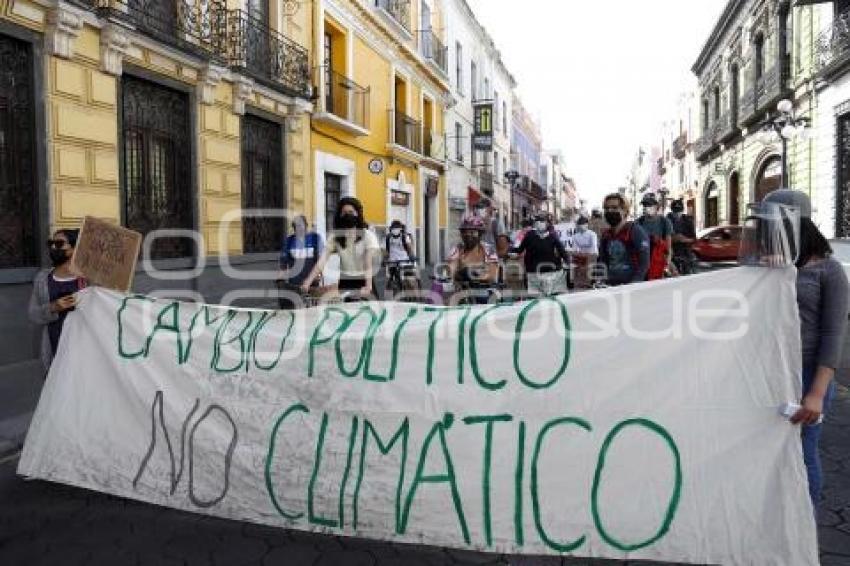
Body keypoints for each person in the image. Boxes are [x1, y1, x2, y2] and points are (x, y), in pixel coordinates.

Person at [760, 190, 849, 509]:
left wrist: (817, 392)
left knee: (803, 450)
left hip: (810, 374)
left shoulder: (830, 271)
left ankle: (802, 529)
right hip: (772, 371)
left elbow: (833, 335)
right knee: (769, 449)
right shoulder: (771, 266)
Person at [28, 229, 87, 371]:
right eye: (51, 243)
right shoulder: (42, 278)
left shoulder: (88, 278)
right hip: (54, 345)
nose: (53, 247)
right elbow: (33, 314)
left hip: (83, 347)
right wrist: (52, 308)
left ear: (74, 248)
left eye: (59, 244)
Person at [301, 197, 380, 300]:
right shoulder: (335, 237)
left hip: (364, 280)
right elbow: (321, 261)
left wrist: (368, 286)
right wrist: (307, 282)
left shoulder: (368, 236)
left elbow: (368, 261)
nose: (347, 215)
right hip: (345, 282)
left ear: (358, 214)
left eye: (351, 212)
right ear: (340, 215)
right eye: (344, 212)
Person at [598, 193, 650, 286]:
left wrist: (633, 285)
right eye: (606, 208)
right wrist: (600, 280)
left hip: (631, 287)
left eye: (614, 208)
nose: (609, 211)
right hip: (610, 286)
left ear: (625, 211)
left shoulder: (635, 231)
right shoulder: (606, 235)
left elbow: (644, 263)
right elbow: (602, 261)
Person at [511, 214, 570, 296]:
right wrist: (509, 250)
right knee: (536, 299)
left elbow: (562, 251)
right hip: (534, 273)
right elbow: (520, 249)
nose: (540, 223)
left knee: (551, 298)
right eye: (538, 221)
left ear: (546, 223)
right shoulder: (529, 235)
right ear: (535, 224)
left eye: (542, 221)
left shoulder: (553, 236)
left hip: (551, 272)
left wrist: (567, 262)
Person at [278, 215, 323, 309]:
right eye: (296, 226)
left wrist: (318, 275)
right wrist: (280, 280)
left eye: (300, 225)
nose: (299, 228)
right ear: (294, 227)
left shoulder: (315, 238)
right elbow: (283, 263)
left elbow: (321, 261)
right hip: (295, 285)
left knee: (313, 311)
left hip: (312, 284)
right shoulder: (289, 241)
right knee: (297, 312)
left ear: (306, 225)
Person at [446, 214, 499, 287]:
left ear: (480, 234)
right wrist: (451, 274)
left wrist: (475, 277)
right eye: (464, 232)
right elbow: (452, 266)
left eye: (472, 232)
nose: (468, 235)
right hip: (462, 291)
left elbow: (492, 273)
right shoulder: (457, 249)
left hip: (485, 290)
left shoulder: (489, 250)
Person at [636, 193, 674, 280]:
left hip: (659, 264)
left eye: (650, 205)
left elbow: (668, 247)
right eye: (645, 205)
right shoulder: (638, 223)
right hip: (642, 264)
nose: (647, 207)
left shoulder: (664, 222)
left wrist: (667, 265)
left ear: (657, 206)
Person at [667, 199, 697, 275]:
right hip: (671, 255)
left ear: (682, 211)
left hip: (686, 255)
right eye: (675, 212)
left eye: (679, 211)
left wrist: (684, 239)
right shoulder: (666, 221)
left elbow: (694, 239)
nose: (677, 214)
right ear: (672, 211)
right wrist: (673, 239)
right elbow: (662, 238)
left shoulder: (688, 221)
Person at [569, 215, 599, 290]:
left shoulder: (592, 234)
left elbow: (594, 248)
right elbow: (575, 249)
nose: (581, 226)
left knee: (590, 266)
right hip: (581, 256)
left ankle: (592, 282)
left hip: (592, 255)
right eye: (580, 225)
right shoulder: (575, 236)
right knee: (573, 264)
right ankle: (576, 282)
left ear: (587, 225)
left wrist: (590, 257)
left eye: (583, 224)